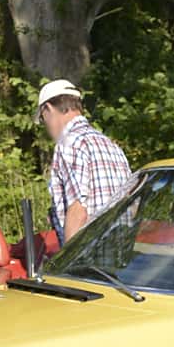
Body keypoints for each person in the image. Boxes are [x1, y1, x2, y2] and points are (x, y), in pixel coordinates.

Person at [37, 79, 134, 243]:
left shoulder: (69, 143)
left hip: (90, 257)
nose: (45, 126)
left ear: (48, 109)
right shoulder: (110, 145)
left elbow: (78, 210)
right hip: (120, 253)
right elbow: (132, 205)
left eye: (42, 119)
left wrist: (67, 262)